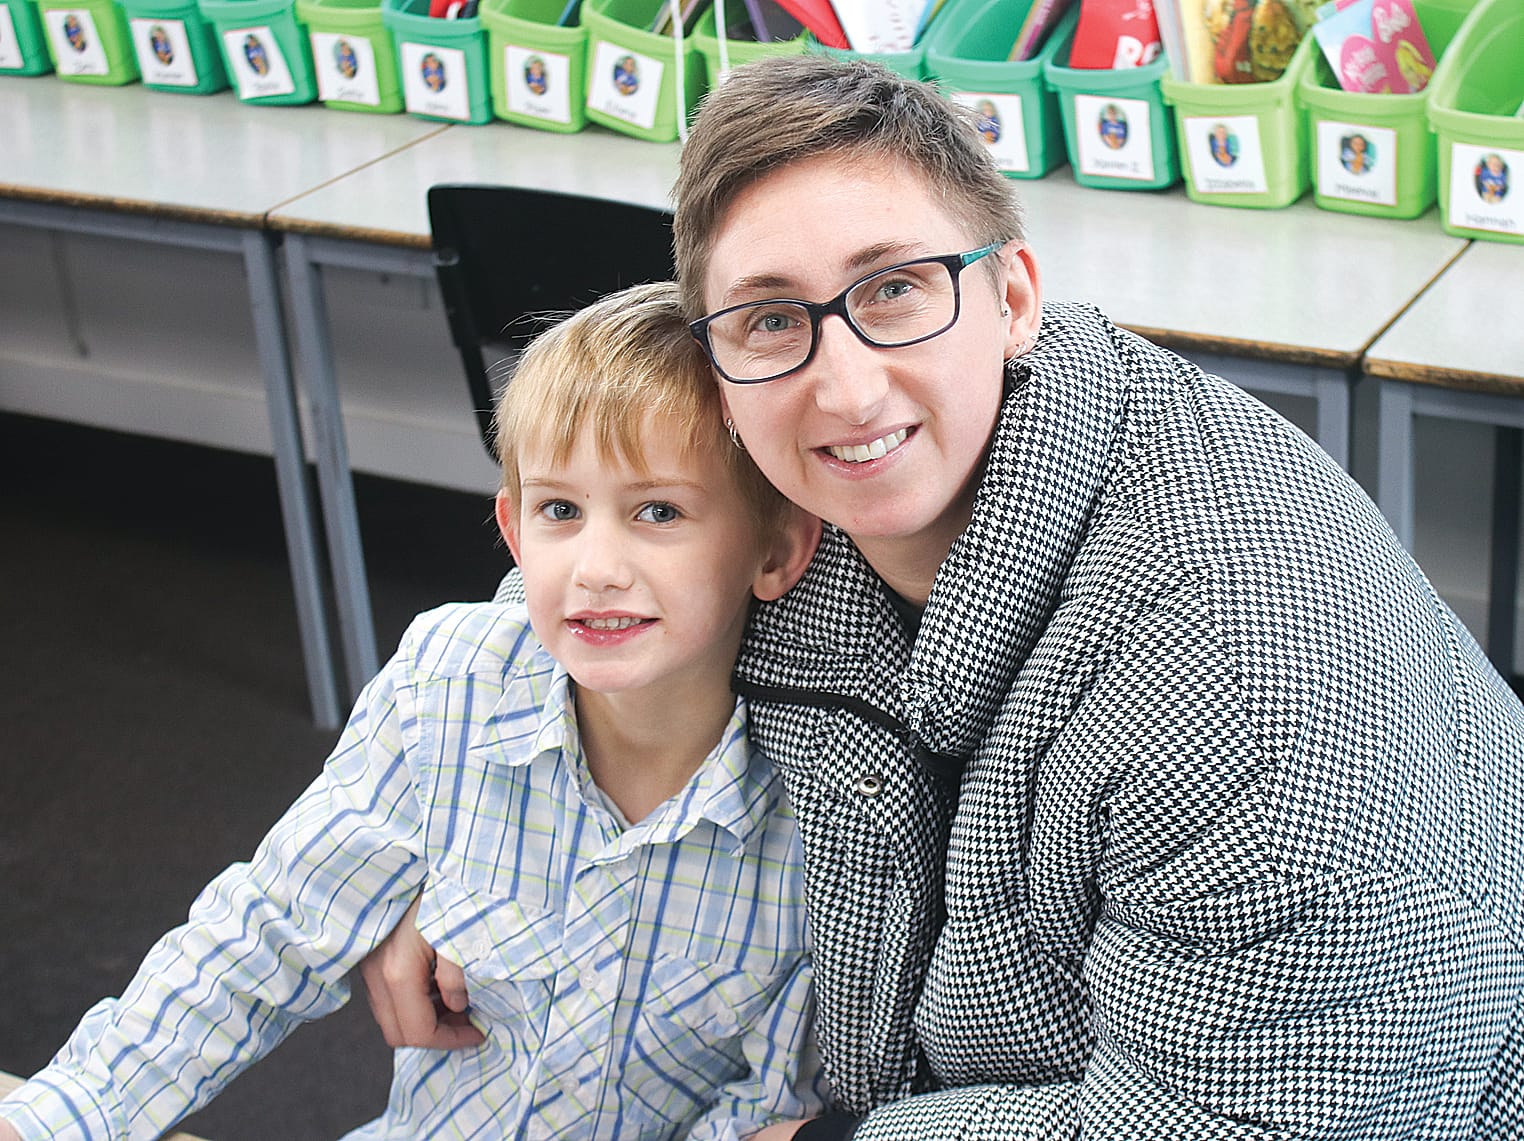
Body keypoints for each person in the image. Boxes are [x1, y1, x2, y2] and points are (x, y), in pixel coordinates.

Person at [365, 55, 1524, 1139]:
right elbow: (606, 605)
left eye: (899, 289)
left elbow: (1239, 1119)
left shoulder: (1239, 699)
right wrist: (494, 857)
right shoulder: (799, 513)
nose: (846, 389)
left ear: (1013, 297)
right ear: (716, 366)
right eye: (771, 319)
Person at [0, 283, 826, 1141]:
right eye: (560, 511)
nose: (596, 566)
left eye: (658, 511)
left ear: (775, 547)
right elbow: (265, 933)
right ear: (513, 530)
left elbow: (762, 1109)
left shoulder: (818, 801)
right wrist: (60, 1119)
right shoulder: (450, 684)